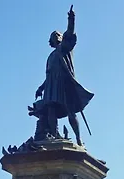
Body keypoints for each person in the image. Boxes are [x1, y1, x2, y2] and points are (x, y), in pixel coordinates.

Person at [35, 6, 94, 145]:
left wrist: (71, 19)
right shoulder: (51, 56)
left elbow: (70, 32)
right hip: (51, 86)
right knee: (51, 109)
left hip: (63, 83)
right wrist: (41, 88)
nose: (55, 36)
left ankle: (78, 138)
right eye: (53, 35)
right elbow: (49, 76)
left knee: (70, 110)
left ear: (61, 38)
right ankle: (54, 134)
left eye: (57, 35)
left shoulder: (64, 48)